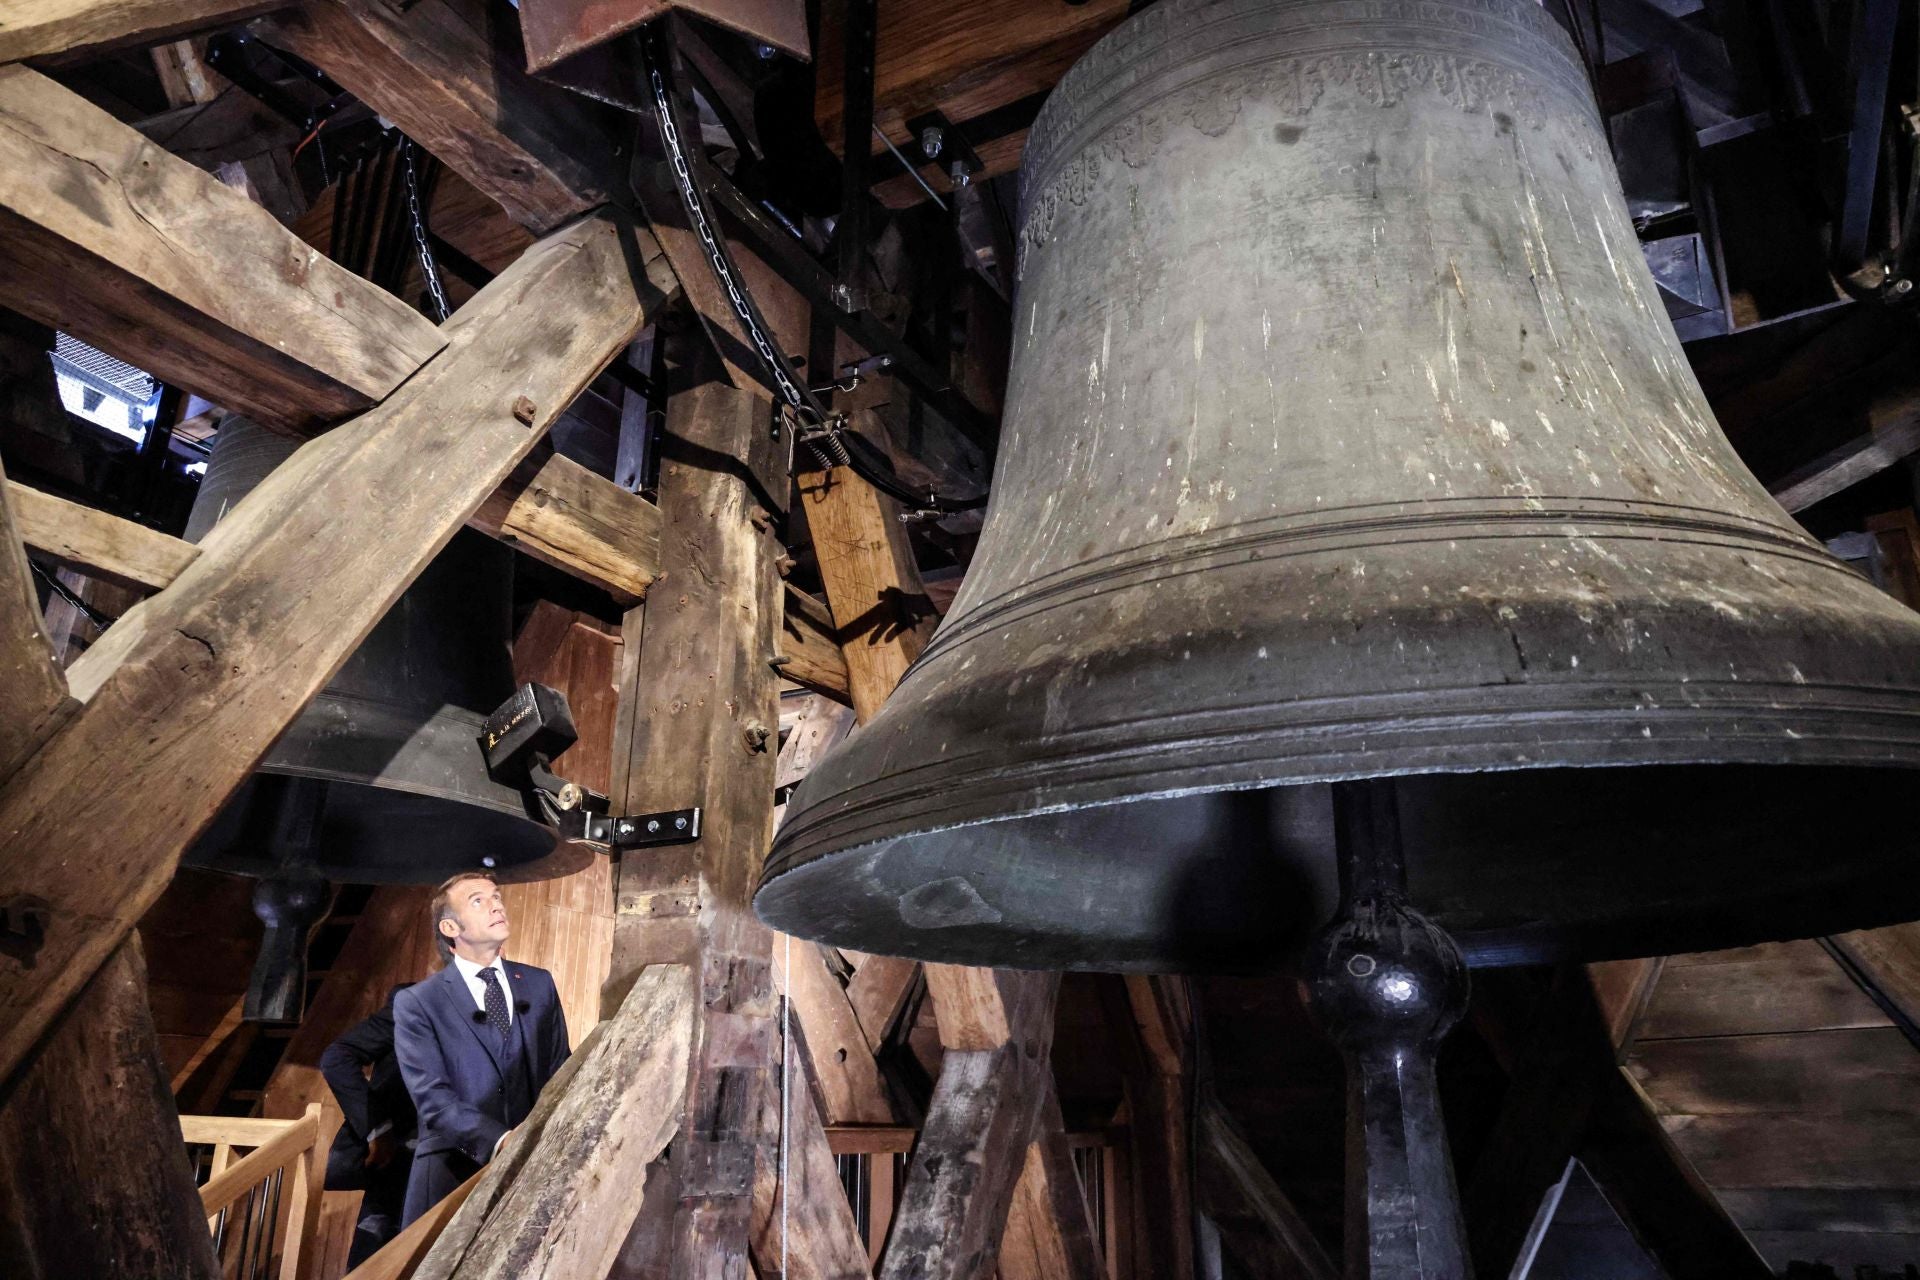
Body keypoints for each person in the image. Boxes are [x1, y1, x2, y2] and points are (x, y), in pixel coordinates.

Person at [393, 871, 569, 1225]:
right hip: (449, 1172)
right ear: (450, 929)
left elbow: (560, 1069)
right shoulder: (419, 1002)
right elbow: (432, 1098)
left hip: (530, 1171)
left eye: (497, 897)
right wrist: (501, 1140)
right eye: (479, 901)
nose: (496, 906)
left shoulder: (538, 984)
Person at [319, 985, 417, 1268]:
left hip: (466, 1158)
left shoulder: (514, 1004)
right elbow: (337, 1059)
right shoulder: (411, 1000)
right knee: (372, 1257)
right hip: (400, 1157)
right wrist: (379, 1130)